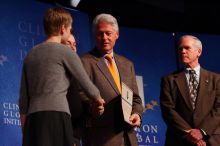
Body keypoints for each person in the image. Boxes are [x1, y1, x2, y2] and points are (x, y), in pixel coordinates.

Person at [19, 7, 105, 146]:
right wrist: (99, 99)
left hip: (33, 119)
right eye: (70, 29)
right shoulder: (66, 51)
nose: (70, 31)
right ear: (63, 29)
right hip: (57, 117)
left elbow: (23, 99)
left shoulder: (30, 55)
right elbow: (87, 84)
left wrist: (25, 128)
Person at [78, 13, 143, 146]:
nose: (104, 38)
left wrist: (137, 114)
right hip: (101, 139)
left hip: (129, 138)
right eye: (100, 34)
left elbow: (135, 98)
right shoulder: (84, 61)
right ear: (95, 36)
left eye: (108, 33)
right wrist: (92, 107)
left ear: (116, 35)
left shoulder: (127, 64)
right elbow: (79, 94)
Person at [160, 35, 220, 146]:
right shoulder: (169, 79)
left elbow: (218, 109)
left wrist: (201, 132)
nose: (182, 51)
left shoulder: (216, 79)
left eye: (187, 48)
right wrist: (189, 134)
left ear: (199, 52)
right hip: (179, 140)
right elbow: (167, 110)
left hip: (209, 140)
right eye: (180, 49)